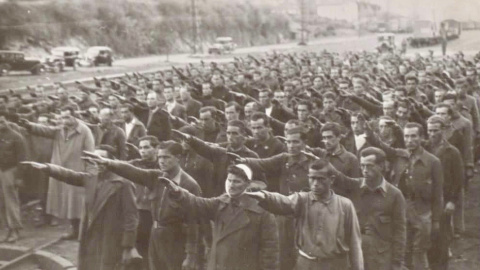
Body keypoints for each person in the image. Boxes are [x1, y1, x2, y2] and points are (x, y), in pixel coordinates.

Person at [83, 141, 202, 270]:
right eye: (159, 157)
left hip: (176, 239)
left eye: (166, 157)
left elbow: (193, 222)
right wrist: (107, 162)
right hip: (155, 235)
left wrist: (190, 255)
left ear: (178, 158)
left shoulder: (190, 185)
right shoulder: (156, 177)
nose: (161, 161)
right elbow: (132, 171)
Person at [22, 145, 138, 270]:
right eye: (93, 158)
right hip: (90, 235)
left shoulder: (123, 184)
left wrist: (128, 247)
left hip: (110, 239)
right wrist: (48, 168)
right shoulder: (92, 178)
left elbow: (131, 218)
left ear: (111, 161)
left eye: (101, 158)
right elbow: (70, 175)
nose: (96, 161)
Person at [247, 159, 363, 270]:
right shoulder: (302, 199)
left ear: (331, 180)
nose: (315, 184)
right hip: (305, 264)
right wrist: (265, 196)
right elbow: (284, 202)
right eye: (312, 178)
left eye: (320, 179)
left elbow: (355, 243)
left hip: (335, 265)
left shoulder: (345, 205)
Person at [160, 164, 280, 270]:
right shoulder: (221, 202)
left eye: (237, 181)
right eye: (229, 180)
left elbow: (270, 251)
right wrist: (178, 193)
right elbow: (197, 203)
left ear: (248, 184)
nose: (231, 185)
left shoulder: (263, 211)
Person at [18, 106, 95, 240]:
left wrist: (89, 172)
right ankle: (75, 231)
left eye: (67, 117)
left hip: (77, 171)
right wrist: (29, 125)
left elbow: (90, 153)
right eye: (62, 117)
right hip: (61, 170)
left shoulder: (84, 131)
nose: (64, 120)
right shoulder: (59, 130)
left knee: (78, 203)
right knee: (68, 203)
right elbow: (45, 130)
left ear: (74, 116)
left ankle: (84, 232)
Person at [331, 147, 406, 270]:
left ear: (382, 166)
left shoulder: (395, 195)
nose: (365, 170)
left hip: (380, 257)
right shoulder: (355, 186)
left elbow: (400, 232)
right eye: (362, 166)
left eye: (369, 166)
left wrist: (397, 263)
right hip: (354, 253)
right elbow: (340, 178)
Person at [0, 112, 27, 243]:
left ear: (7, 121)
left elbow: (22, 159)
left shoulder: (16, 137)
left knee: (11, 202)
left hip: (10, 171)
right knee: (2, 203)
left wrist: (19, 177)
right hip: (1, 170)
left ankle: (15, 229)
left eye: (2, 121)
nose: (1, 125)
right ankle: (7, 230)